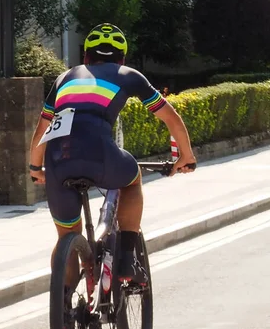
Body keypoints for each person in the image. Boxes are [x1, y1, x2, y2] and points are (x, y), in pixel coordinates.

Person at [29, 23, 196, 285]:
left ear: (85, 57)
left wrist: (35, 168)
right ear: (122, 58)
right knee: (132, 179)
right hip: (100, 154)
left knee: (66, 237)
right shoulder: (128, 75)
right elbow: (170, 118)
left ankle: (63, 315)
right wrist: (186, 156)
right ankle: (128, 257)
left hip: (58, 161)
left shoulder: (65, 78)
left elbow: (43, 128)